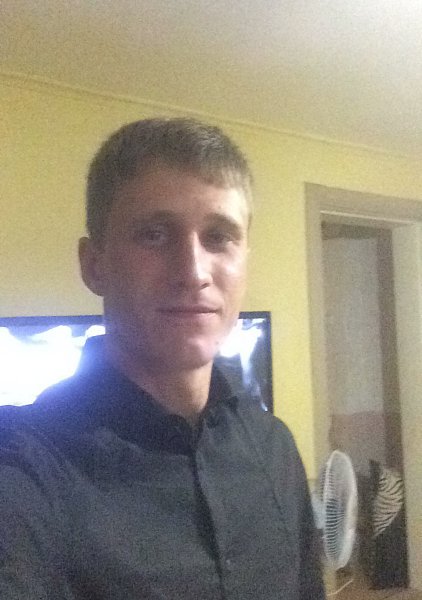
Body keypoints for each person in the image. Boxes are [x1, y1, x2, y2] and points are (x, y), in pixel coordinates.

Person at [0, 118, 325, 599]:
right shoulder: (25, 469)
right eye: (154, 234)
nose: (193, 271)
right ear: (94, 265)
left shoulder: (273, 445)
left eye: (219, 237)